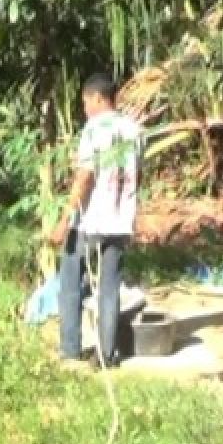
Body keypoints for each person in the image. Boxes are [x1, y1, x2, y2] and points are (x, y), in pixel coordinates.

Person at [47, 73, 143, 366]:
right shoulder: (135, 130)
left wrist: (65, 220)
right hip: (119, 220)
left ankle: (70, 350)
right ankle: (107, 354)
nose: (85, 109)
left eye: (86, 102)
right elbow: (138, 175)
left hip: (90, 222)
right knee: (109, 287)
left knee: (70, 281)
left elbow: (85, 177)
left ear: (99, 99)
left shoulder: (94, 129)